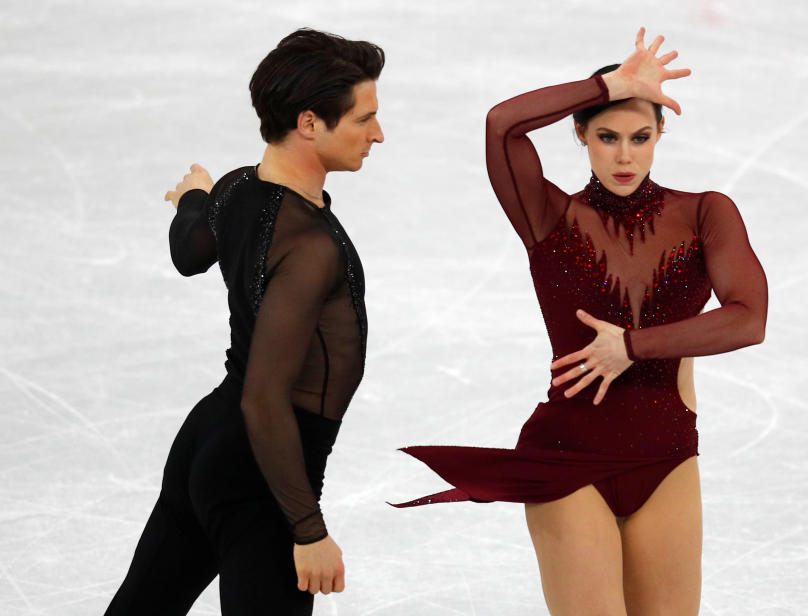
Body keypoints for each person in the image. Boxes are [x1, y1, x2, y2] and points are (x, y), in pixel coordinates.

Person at [392, 28, 767, 615]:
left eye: (641, 137)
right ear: (581, 135)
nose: (625, 155)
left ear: (661, 133)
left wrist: (632, 347)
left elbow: (750, 319)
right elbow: (501, 125)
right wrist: (608, 85)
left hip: (665, 455)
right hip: (567, 459)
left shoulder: (704, 213)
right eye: (607, 137)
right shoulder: (548, 217)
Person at [105, 28, 384, 615]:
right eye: (363, 119)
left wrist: (193, 201)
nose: (377, 134)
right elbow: (265, 398)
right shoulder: (309, 246)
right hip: (265, 473)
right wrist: (307, 531)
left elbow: (189, 254)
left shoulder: (236, 189)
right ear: (310, 123)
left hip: (207, 442)